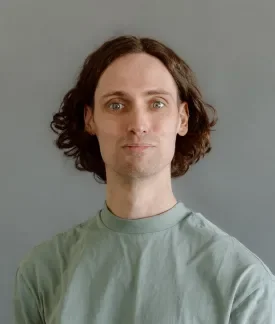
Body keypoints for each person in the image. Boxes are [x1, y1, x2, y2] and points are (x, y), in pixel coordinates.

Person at [14, 35, 275, 324]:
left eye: (157, 104)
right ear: (90, 119)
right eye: (116, 105)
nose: (137, 125)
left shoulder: (242, 282)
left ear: (182, 119)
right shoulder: (42, 272)